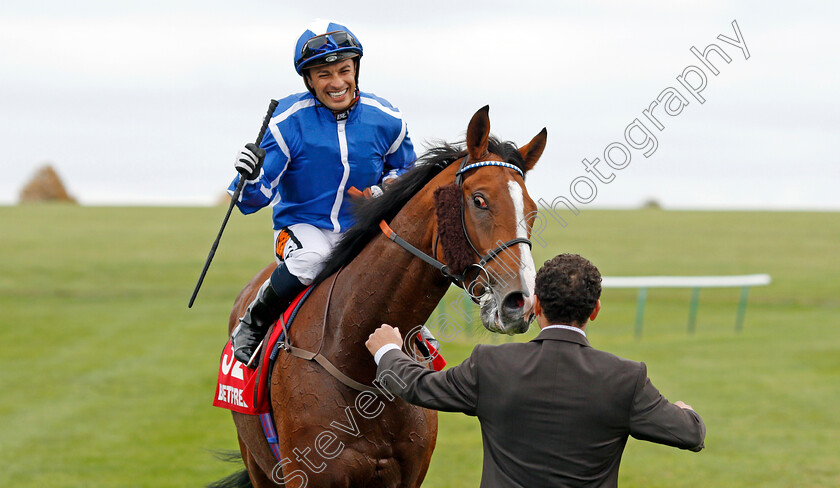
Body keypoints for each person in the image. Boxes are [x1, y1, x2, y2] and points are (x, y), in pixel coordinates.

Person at [366, 253, 705, 488]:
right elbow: (690, 434)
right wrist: (684, 412)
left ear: (537, 304)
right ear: (596, 310)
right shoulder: (626, 379)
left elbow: (419, 386)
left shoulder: (491, 365)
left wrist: (388, 350)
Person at [229, 20, 416, 366]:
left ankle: (419, 336)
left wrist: (381, 190)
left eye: (344, 70)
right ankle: (252, 324)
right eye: (323, 74)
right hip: (302, 230)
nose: (337, 83)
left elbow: (406, 171)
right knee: (312, 259)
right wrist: (249, 178)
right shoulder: (286, 123)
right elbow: (252, 200)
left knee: (401, 265)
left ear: (356, 69)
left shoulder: (388, 119)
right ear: (309, 81)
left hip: (363, 230)